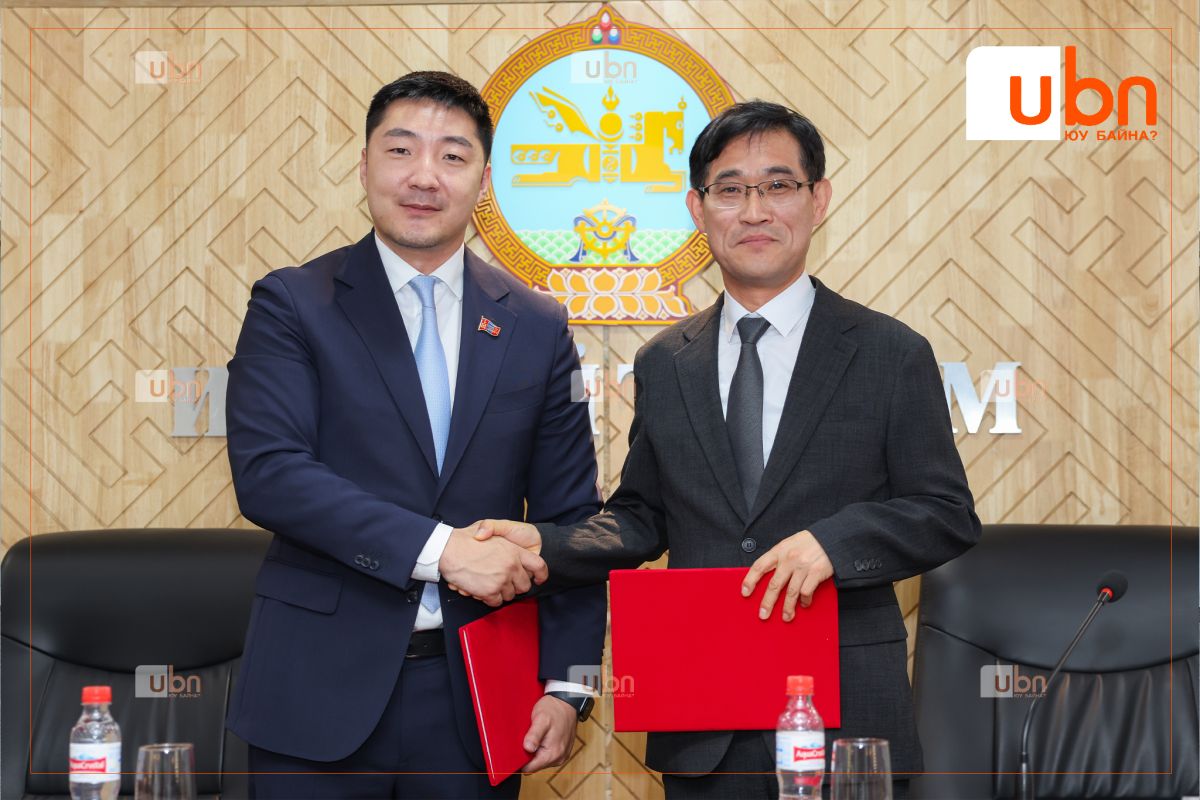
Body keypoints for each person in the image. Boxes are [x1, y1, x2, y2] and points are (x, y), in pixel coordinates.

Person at [473, 100, 982, 799]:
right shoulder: (665, 362)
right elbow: (643, 516)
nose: (754, 211)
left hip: (844, 718)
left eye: (778, 186)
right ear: (698, 208)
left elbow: (946, 512)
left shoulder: (890, 353)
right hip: (703, 718)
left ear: (819, 200)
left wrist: (833, 543)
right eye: (731, 190)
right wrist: (546, 542)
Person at [224, 71, 605, 799]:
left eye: (452, 156)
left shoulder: (537, 325)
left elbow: (572, 521)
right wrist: (444, 550)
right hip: (315, 692)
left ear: (483, 182)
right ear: (364, 166)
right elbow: (271, 473)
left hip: (476, 701)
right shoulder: (293, 303)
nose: (424, 176)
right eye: (401, 150)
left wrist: (570, 685)